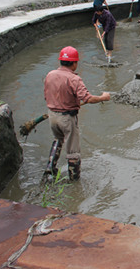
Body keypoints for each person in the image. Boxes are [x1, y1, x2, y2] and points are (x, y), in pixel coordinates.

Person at [43, 46, 111, 180]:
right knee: (73, 151)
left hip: (52, 116)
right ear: (74, 63)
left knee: (58, 139)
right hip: (67, 118)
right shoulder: (74, 79)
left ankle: (50, 168)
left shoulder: (50, 75)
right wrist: (104, 97)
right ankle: (74, 181)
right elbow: (88, 98)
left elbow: (46, 96)